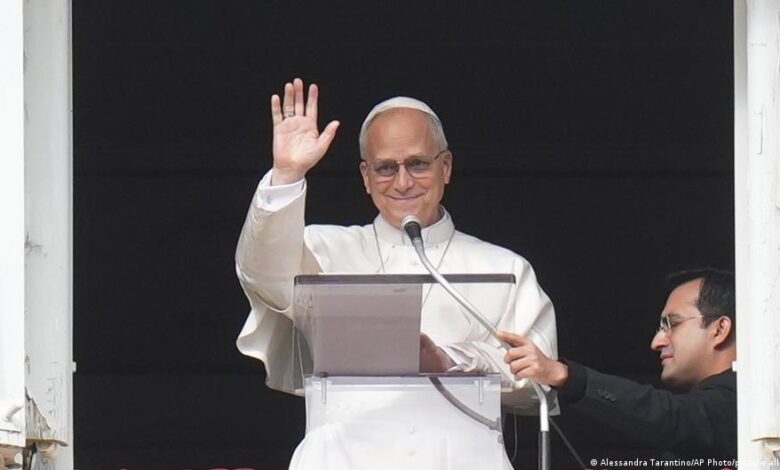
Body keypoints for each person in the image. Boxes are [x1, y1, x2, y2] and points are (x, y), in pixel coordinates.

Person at [234, 78, 558, 468]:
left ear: (446, 167)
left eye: (418, 164)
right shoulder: (322, 249)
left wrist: (451, 360)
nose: (403, 182)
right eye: (386, 168)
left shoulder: (504, 267)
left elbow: (539, 382)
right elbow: (263, 274)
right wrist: (286, 175)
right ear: (366, 176)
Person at [499, 268, 736, 464]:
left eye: (672, 323)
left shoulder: (745, 401)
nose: (656, 342)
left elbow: (674, 417)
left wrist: (565, 375)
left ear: (719, 329)